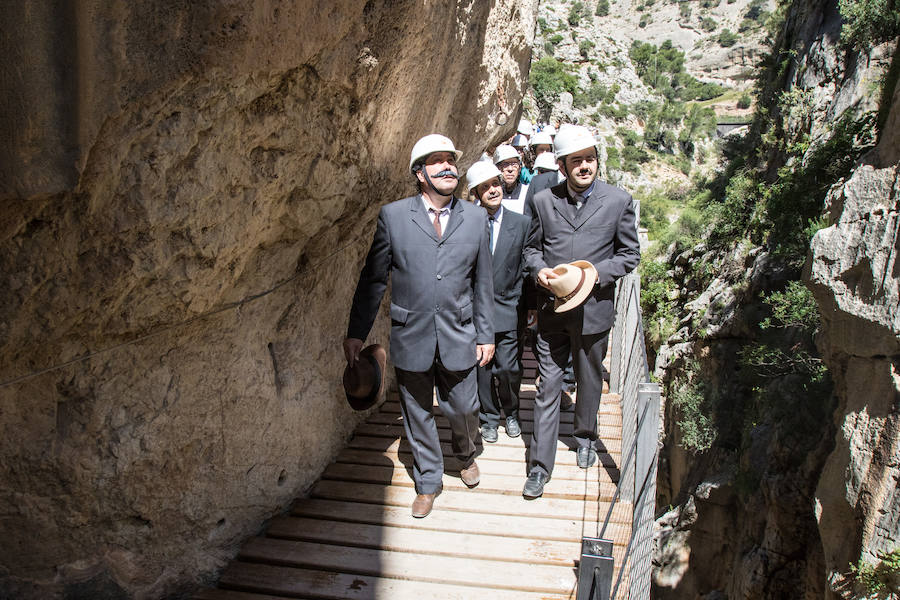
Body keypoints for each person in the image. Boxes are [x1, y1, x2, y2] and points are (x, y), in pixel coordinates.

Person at [344, 134, 495, 518]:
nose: (448, 167)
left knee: (463, 405)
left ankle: (465, 451)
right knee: (416, 411)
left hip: (460, 331)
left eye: (451, 160)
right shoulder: (393, 217)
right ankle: (428, 480)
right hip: (411, 334)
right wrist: (357, 332)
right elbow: (373, 279)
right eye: (437, 161)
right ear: (419, 173)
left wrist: (486, 333)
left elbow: (483, 282)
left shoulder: (476, 218)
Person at [521, 125, 640, 499]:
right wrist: (538, 270)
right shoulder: (543, 201)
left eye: (590, 159)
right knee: (548, 385)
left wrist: (591, 275)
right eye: (577, 161)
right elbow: (530, 249)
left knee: (589, 378)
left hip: (594, 309)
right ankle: (540, 466)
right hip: (553, 310)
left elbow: (629, 255)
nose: (585, 166)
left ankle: (585, 436)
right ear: (561, 165)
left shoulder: (619, 201)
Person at [465, 161, 530, 444]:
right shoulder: (467, 223)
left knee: (508, 367)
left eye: (495, 184)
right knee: (482, 368)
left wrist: (529, 308)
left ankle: (512, 411)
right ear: (476, 193)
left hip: (509, 307)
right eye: (485, 187)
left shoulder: (521, 223)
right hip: (476, 309)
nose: (492, 190)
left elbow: (527, 267)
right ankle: (489, 417)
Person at [493, 144, 529, 214]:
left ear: (519, 168)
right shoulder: (489, 194)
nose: (510, 169)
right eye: (505, 164)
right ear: (497, 168)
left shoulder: (527, 192)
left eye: (514, 164)